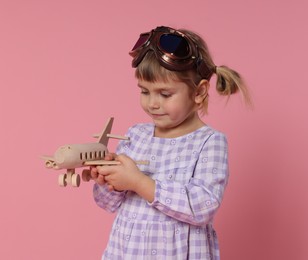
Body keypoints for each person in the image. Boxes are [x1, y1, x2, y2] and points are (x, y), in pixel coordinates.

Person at [90, 25, 251, 259]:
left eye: (165, 94)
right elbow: (108, 204)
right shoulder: (135, 135)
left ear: (199, 92)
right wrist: (108, 182)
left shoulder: (209, 142)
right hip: (126, 252)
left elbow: (202, 206)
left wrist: (138, 181)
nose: (152, 104)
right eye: (145, 92)